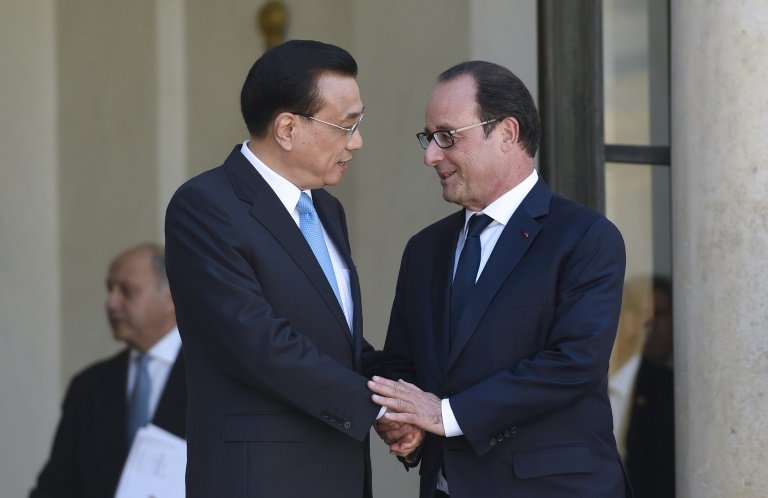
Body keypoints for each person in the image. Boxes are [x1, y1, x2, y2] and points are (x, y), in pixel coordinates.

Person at [164, 40, 419, 498]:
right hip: (260, 478)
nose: (357, 141)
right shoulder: (206, 206)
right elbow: (257, 341)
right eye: (346, 125)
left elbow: (334, 339)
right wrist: (380, 410)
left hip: (339, 472)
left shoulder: (326, 209)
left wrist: (410, 396)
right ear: (286, 127)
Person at [368, 61, 631, 497]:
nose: (431, 155)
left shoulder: (585, 237)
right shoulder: (424, 249)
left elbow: (573, 365)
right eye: (428, 138)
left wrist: (445, 415)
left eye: (447, 137)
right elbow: (404, 363)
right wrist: (402, 419)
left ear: (507, 134)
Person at [30, 243, 185, 498]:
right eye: (109, 289)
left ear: (170, 298)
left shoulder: (217, 376)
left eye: (126, 291)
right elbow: (56, 486)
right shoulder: (88, 387)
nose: (111, 302)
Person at [624, 276, 675, 498]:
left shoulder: (677, 387)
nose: (649, 323)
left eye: (660, 313)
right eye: (638, 313)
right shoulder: (606, 381)